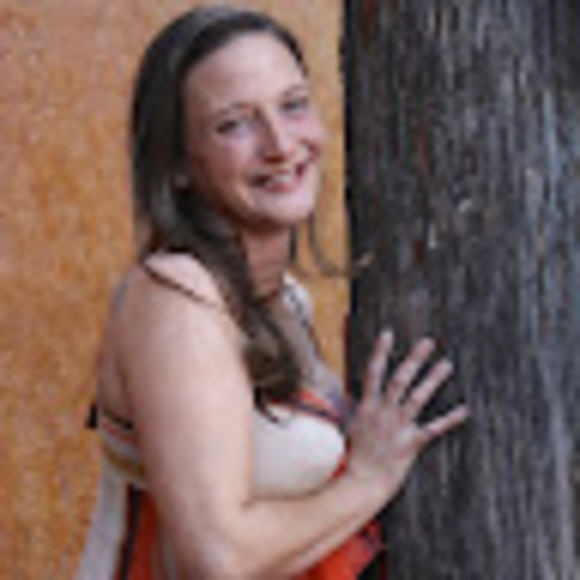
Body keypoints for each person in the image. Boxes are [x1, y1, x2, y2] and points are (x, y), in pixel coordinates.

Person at [77, 5, 469, 579]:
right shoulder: (176, 297)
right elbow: (218, 557)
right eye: (235, 123)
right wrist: (368, 479)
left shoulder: (284, 299)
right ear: (178, 164)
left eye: (293, 105)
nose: (282, 145)